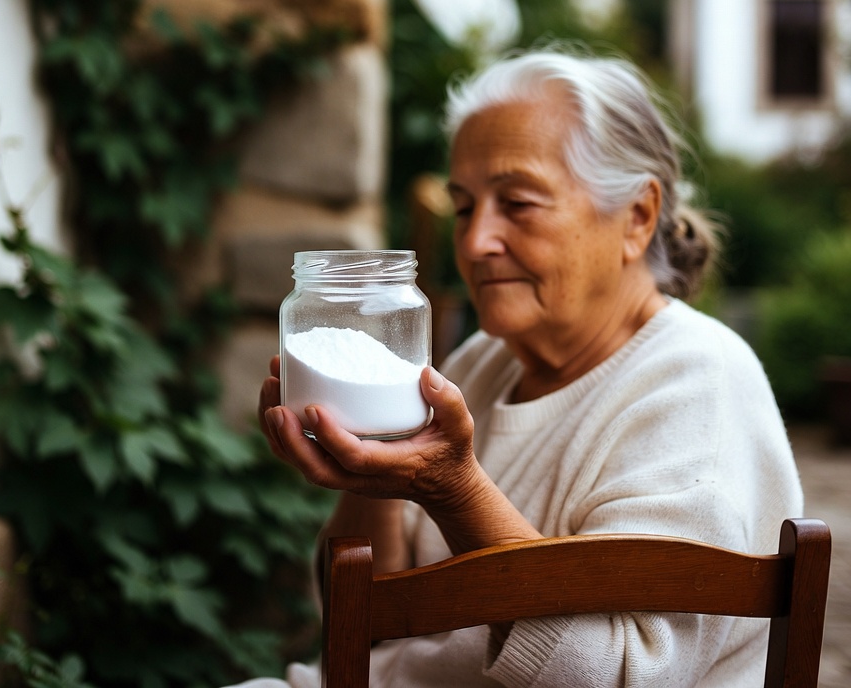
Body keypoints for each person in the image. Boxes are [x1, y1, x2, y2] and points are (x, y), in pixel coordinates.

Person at [233, 47, 803, 688]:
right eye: (466, 206)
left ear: (637, 218)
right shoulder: (483, 363)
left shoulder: (696, 385)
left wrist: (454, 490)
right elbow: (369, 630)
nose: (476, 243)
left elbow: (614, 677)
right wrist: (377, 473)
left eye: (519, 203)